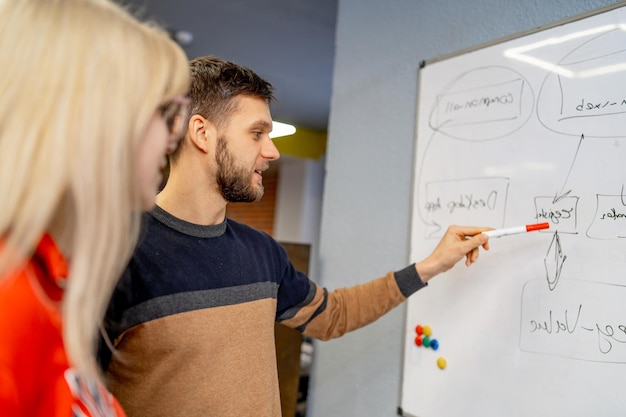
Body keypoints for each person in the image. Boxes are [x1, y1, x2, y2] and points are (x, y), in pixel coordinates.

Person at [99, 55, 490, 417]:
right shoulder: (115, 254)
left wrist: (431, 265)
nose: (272, 152)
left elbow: (334, 315)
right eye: (257, 133)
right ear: (201, 133)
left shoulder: (262, 254)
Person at [0, 0, 190, 415]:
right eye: (163, 111)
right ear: (97, 121)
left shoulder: (47, 282)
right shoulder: (10, 300)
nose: (171, 137)